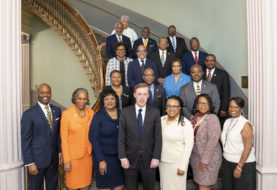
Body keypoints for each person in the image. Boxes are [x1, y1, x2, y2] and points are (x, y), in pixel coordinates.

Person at [118, 83, 162, 190]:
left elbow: (158, 137)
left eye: (145, 94)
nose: (142, 97)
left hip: (149, 160)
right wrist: (123, 157)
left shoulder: (155, 112)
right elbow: (121, 138)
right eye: (139, 94)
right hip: (129, 161)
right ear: (134, 95)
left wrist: (156, 157)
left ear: (148, 95)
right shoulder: (125, 112)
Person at [21, 83, 62, 190]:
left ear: (51, 94)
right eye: (42, 92)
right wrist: (29, 162)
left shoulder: (57, 111)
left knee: (53, 187)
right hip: (36, 161)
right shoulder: (28, 114)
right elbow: (25, 140)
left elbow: (58, 134)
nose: (45, 95)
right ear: (37, 94)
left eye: (48, 92)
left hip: (53, 160)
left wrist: (59, 151)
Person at [89, 88, 124, 190]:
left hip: (119, 158)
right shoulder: (98, 116)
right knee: (105, 187)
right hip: (103, 158)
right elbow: (94, 139)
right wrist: (101, 160)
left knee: (119, 186)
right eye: (106, 99)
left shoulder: (122, 114)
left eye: (112, 99)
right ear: (103, 101)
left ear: (116, 100)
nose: (110, 101)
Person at [60, 88, 94, 190]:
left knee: (85, 186)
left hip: (87, 157)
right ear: (75, 99)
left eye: (84, 99)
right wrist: (66, 160)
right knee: (73, 186)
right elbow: (64, 139)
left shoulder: (91, 113)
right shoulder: (66, 114)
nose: (82, 101)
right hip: (73, 159)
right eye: (79, 98)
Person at [221, 97, 256, 190]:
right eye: (231, 107)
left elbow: (248, 148)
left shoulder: (245, 125)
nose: (232, 109)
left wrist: (239, 166)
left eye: (236, 107)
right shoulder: (227, 121)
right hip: (228, 162)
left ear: (241, 109)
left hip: (243, 164)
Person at [159, 96, 194, 190]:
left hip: (177, 164)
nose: (171, 108)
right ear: (165, 107)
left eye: (174, 106)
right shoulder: (161, 120)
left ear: (180, 108)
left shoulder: (185, 124)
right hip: (163, 162)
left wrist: (183, 166)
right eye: (169, 106)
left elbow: (189, 147)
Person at [190, 94, 222, 190]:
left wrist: (205, 160)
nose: (203, 105)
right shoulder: (193, 118)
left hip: (209, 158)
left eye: (206, 103)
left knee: (204, 184)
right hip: (195, 157)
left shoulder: (212, 118)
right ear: (197, 105)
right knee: (201, 183)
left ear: (209, 105)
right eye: (200, 103)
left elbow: (213, 141)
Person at [203, 54, 230, 126]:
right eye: (208, 60)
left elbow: (226, 93)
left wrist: (224, 108)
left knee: (215, 128)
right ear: (205, 62)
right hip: (202, 107)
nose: (210, 62)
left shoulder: (223, 74)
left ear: (215, 62)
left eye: (212, 60)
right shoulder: (200, 73)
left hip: (218, 108)